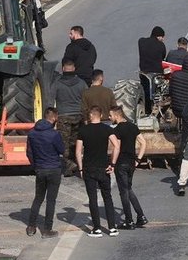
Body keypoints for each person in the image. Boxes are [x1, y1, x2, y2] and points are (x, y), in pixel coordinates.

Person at [77, 106, 119, 236]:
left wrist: (80, 168)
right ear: (100, 116)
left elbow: (78, 152)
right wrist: (112, 163)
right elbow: (116, 146)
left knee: (93, 199)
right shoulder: (107, 129)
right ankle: (112, 228)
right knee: (107, 197)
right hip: (104, 167)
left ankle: (97, 228)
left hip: (89, 168)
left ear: (90, 116)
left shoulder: (83, 130)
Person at [26, 108, 65, 238]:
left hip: (40, 169)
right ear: (53, 118)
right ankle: (47, 230)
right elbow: (61, 150)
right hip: (54, 168)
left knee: (38, 198)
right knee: (51, 200)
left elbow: (29, 152)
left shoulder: (32, 133)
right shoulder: (54, 134)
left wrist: (35, 165)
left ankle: (31, 226)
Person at [109, 105, 147, 229]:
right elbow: (143, 143)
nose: (110, 118)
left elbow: (117, 148)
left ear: (116, 115)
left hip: (121, 163)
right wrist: (138, 159)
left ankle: (129, 220)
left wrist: (112, 163)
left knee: (123, 192)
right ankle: (141, 216)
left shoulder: (117, 130)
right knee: (129, 189)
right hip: (131, 163)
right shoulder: (133, 127)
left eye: (111, 115)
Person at [53, 58, 87, 176]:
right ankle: (75, 164)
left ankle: (68, 165)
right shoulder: (82, 83)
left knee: (63, 143)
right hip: (78, 116)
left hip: (63, 116)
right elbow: (86, 100)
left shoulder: (57, 83)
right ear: (74, 69)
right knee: (75, 142)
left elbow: (51, 99)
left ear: (63, 69)